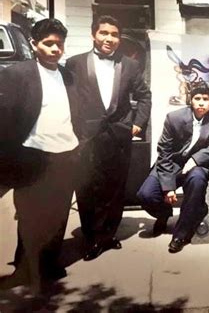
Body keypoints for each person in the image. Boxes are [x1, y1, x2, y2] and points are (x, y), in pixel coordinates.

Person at [0, 19, 81, 291]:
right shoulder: (17, 74)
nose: (55, 49)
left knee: (58, 217)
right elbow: (6, 121)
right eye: (48, 44)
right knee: (30, 217)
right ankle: (23, 269)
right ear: (34, 45)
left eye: (59, 44)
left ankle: (50, 265)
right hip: (32, 156)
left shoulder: (69, 75)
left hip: (65, 156)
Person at [66, 15, 151, 261]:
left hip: (118, 135)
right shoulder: (74, 63)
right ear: (94, 34)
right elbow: (69, 99)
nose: (109, 39)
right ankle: (92, 237)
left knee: (115, 187)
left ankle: (109, 234)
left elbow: (144, 96)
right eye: (104, 33)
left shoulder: (130, 65)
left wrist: (137, 124)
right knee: (87, 187)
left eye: (114, 34)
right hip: (86, 136)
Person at [137, 81, 209, 253]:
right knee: (145, 195)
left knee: (197, 180)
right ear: (191, 100)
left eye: (206, 99)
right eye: (197, 98)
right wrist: (168, 188)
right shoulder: (174, 118)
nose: (201, 102)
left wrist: (197, 159)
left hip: (195, 165)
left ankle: (181, 234)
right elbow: (164, 152)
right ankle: (164, 214)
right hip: (170, 164)